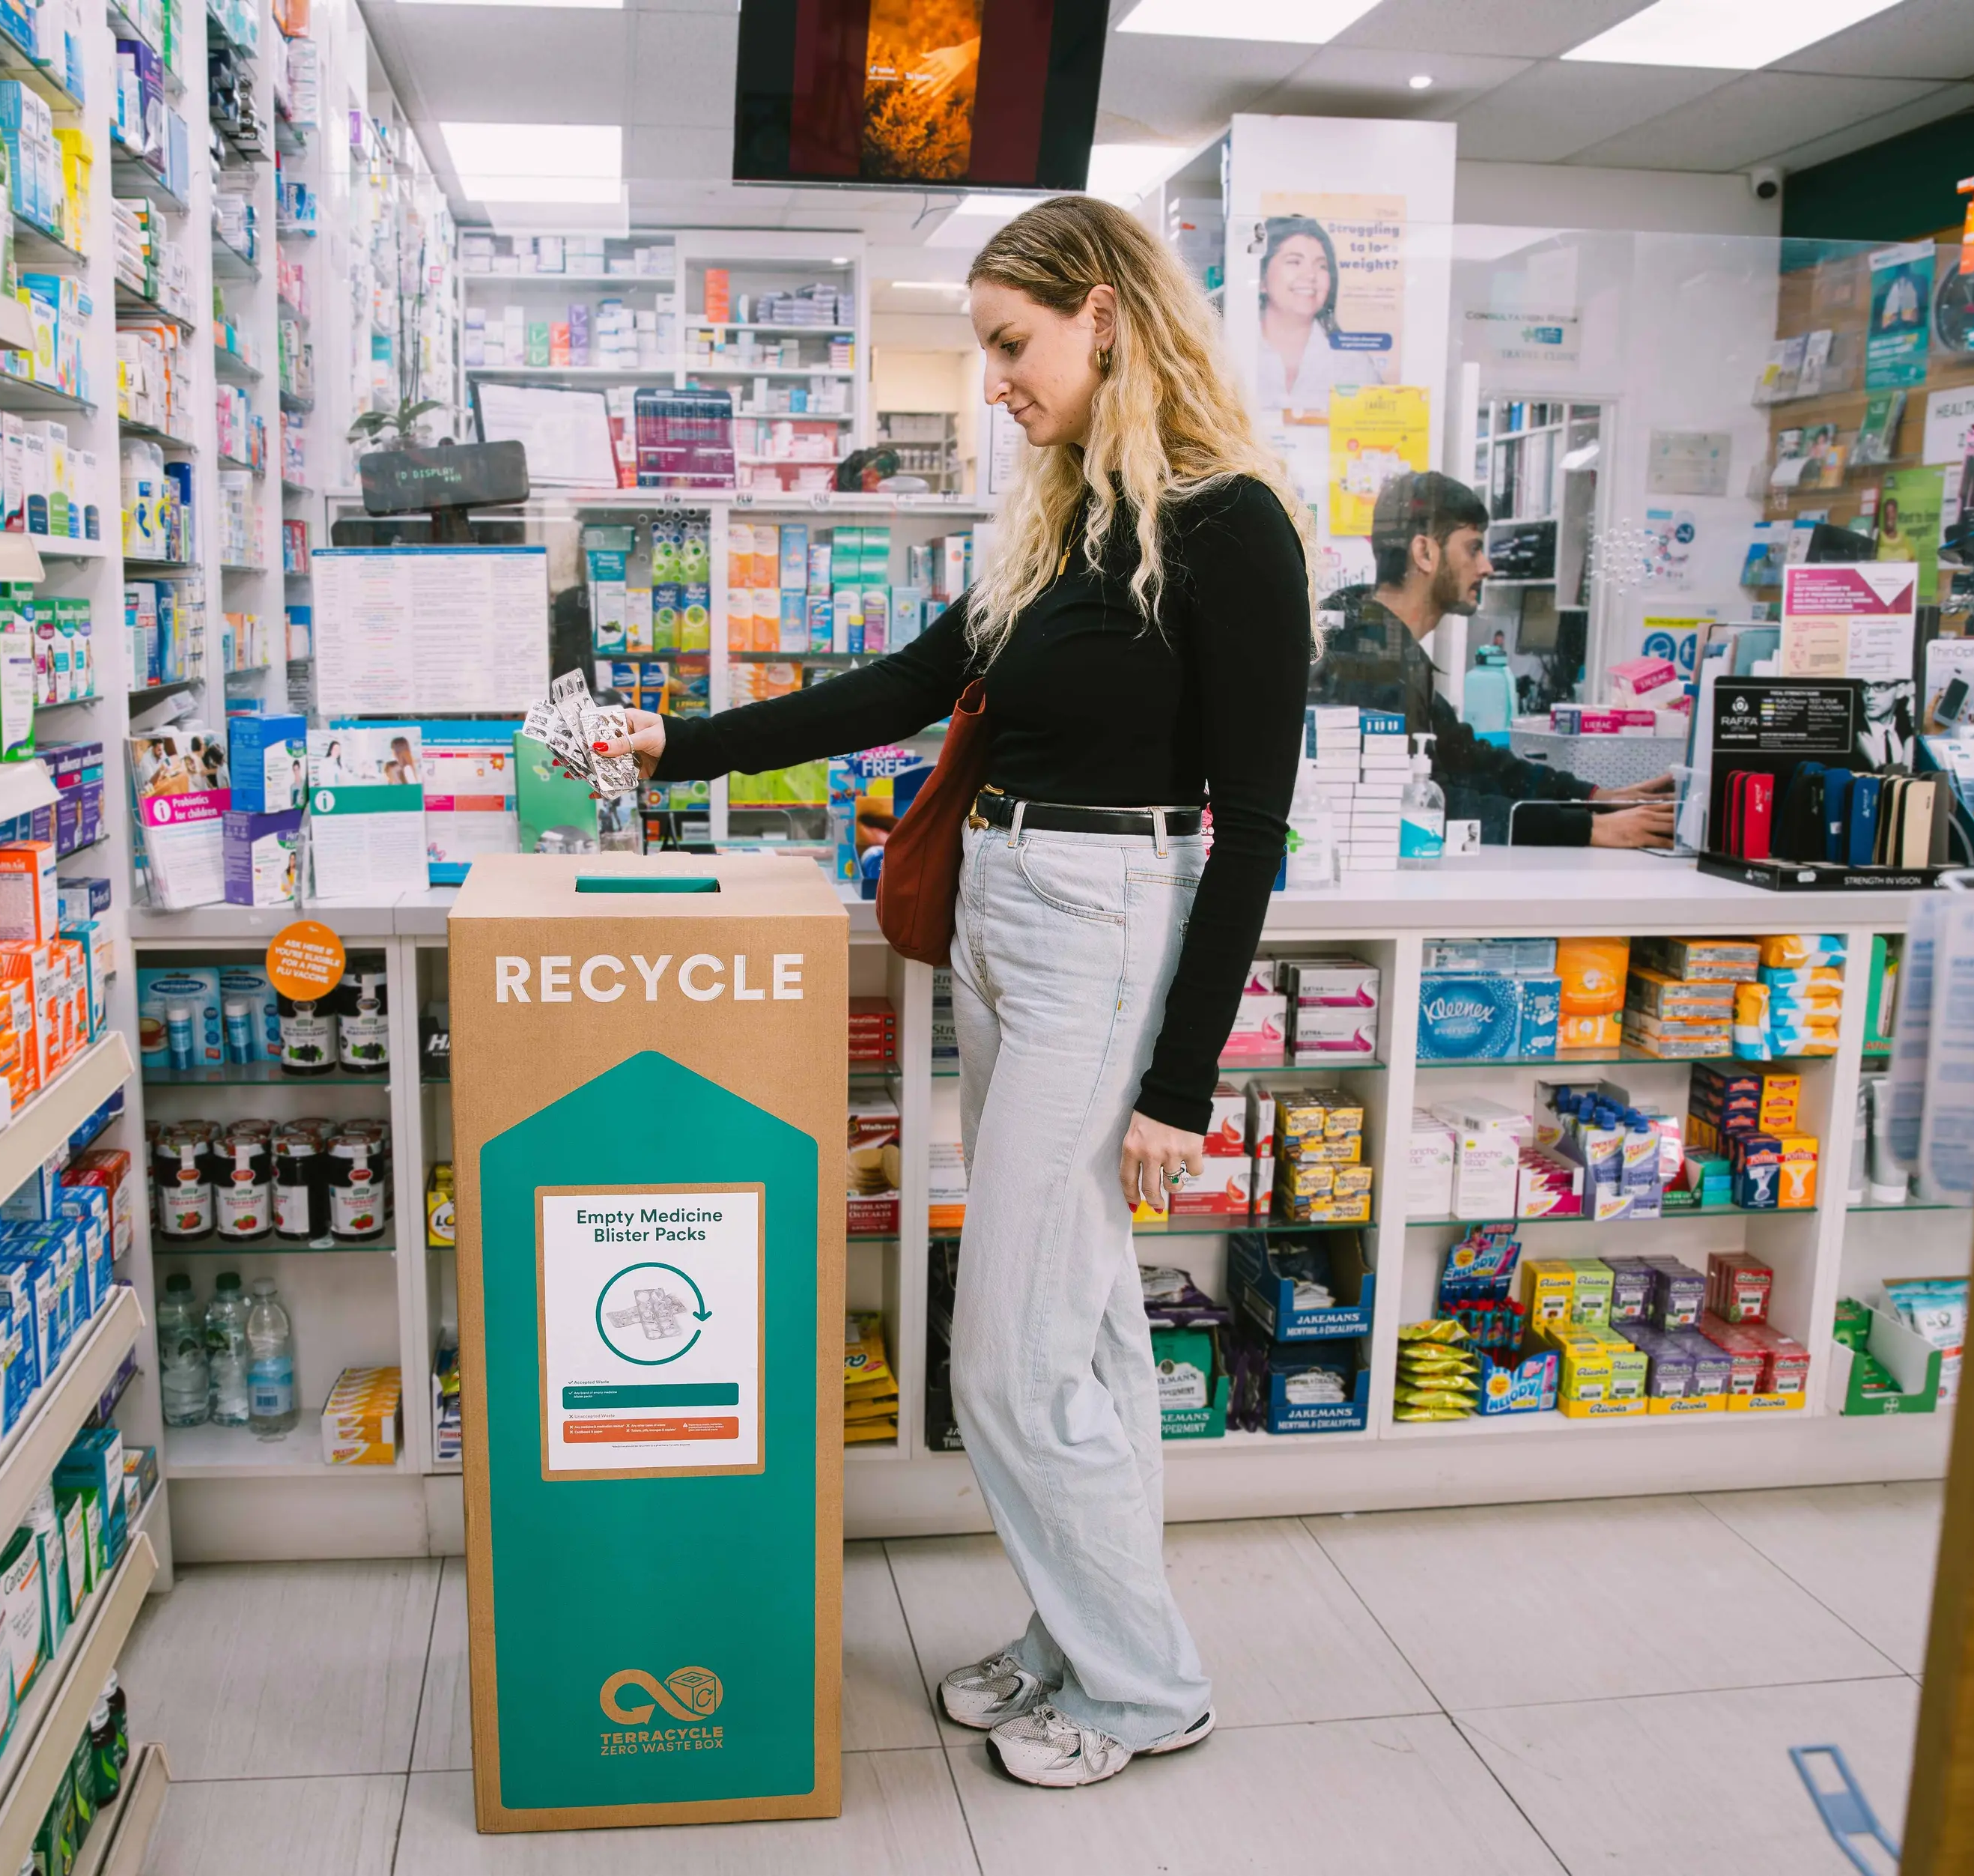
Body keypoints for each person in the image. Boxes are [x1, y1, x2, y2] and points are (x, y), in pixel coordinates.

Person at [605, 195, 1306, 1791]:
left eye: (1012, 345)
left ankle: (1147, 1685)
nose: (994, 378)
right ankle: (1082, 1630)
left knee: (1001, 1347)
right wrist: (673, 743)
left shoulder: (1231, 523)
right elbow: (907, 689)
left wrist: (1179, 1085)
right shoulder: (1064, 516)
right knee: (1079, 1324)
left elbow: (1252, 826)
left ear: (1108, 318)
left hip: (1106, 919)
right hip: (1004, 901)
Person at [1316, 470, 1675, 846]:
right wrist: (1588, 829)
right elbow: (1424, 807)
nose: (1487, 566)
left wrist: (1593, 799)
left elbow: (1469, 760)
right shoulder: (1368, 661)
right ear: (1424, 553)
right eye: (1473, 548)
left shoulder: (1382, 639)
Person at [1252, 216, 1382, 421]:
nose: (1311, 275)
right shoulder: (1229, 350)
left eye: (1321, 266)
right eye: (1294, 261)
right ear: (1261, 279)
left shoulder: (1355, 363)